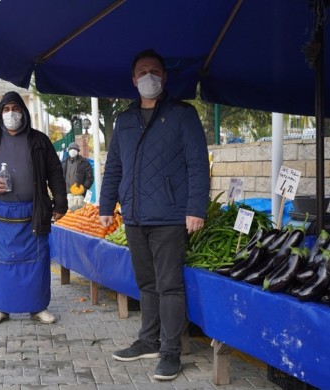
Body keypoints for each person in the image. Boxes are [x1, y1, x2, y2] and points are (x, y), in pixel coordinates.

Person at [99, 49, 210, 381]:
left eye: (155, 71)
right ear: (133, 80)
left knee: (169, 286)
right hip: (134, 215)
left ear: (165, 76)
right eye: (142, 72)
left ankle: (171, 352)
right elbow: (114, 166)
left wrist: (195, 208)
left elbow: (197, 165)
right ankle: (148, 340)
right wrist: (106, 206)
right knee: (146, 283)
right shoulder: (124, 120)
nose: (149, 77)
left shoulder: (182, 114)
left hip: (169, 217)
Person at [0, 91, 68, 326]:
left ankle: (38, 307)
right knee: (0, 264)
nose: (11, 114)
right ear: (0, 114)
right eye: (6, 109)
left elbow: (55, 173)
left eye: (15, 108)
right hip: (0, 215)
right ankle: (1, 307)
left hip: (33, 213)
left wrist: (60, 203)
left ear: (24, 112)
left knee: (36, 264)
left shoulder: (40, 141)